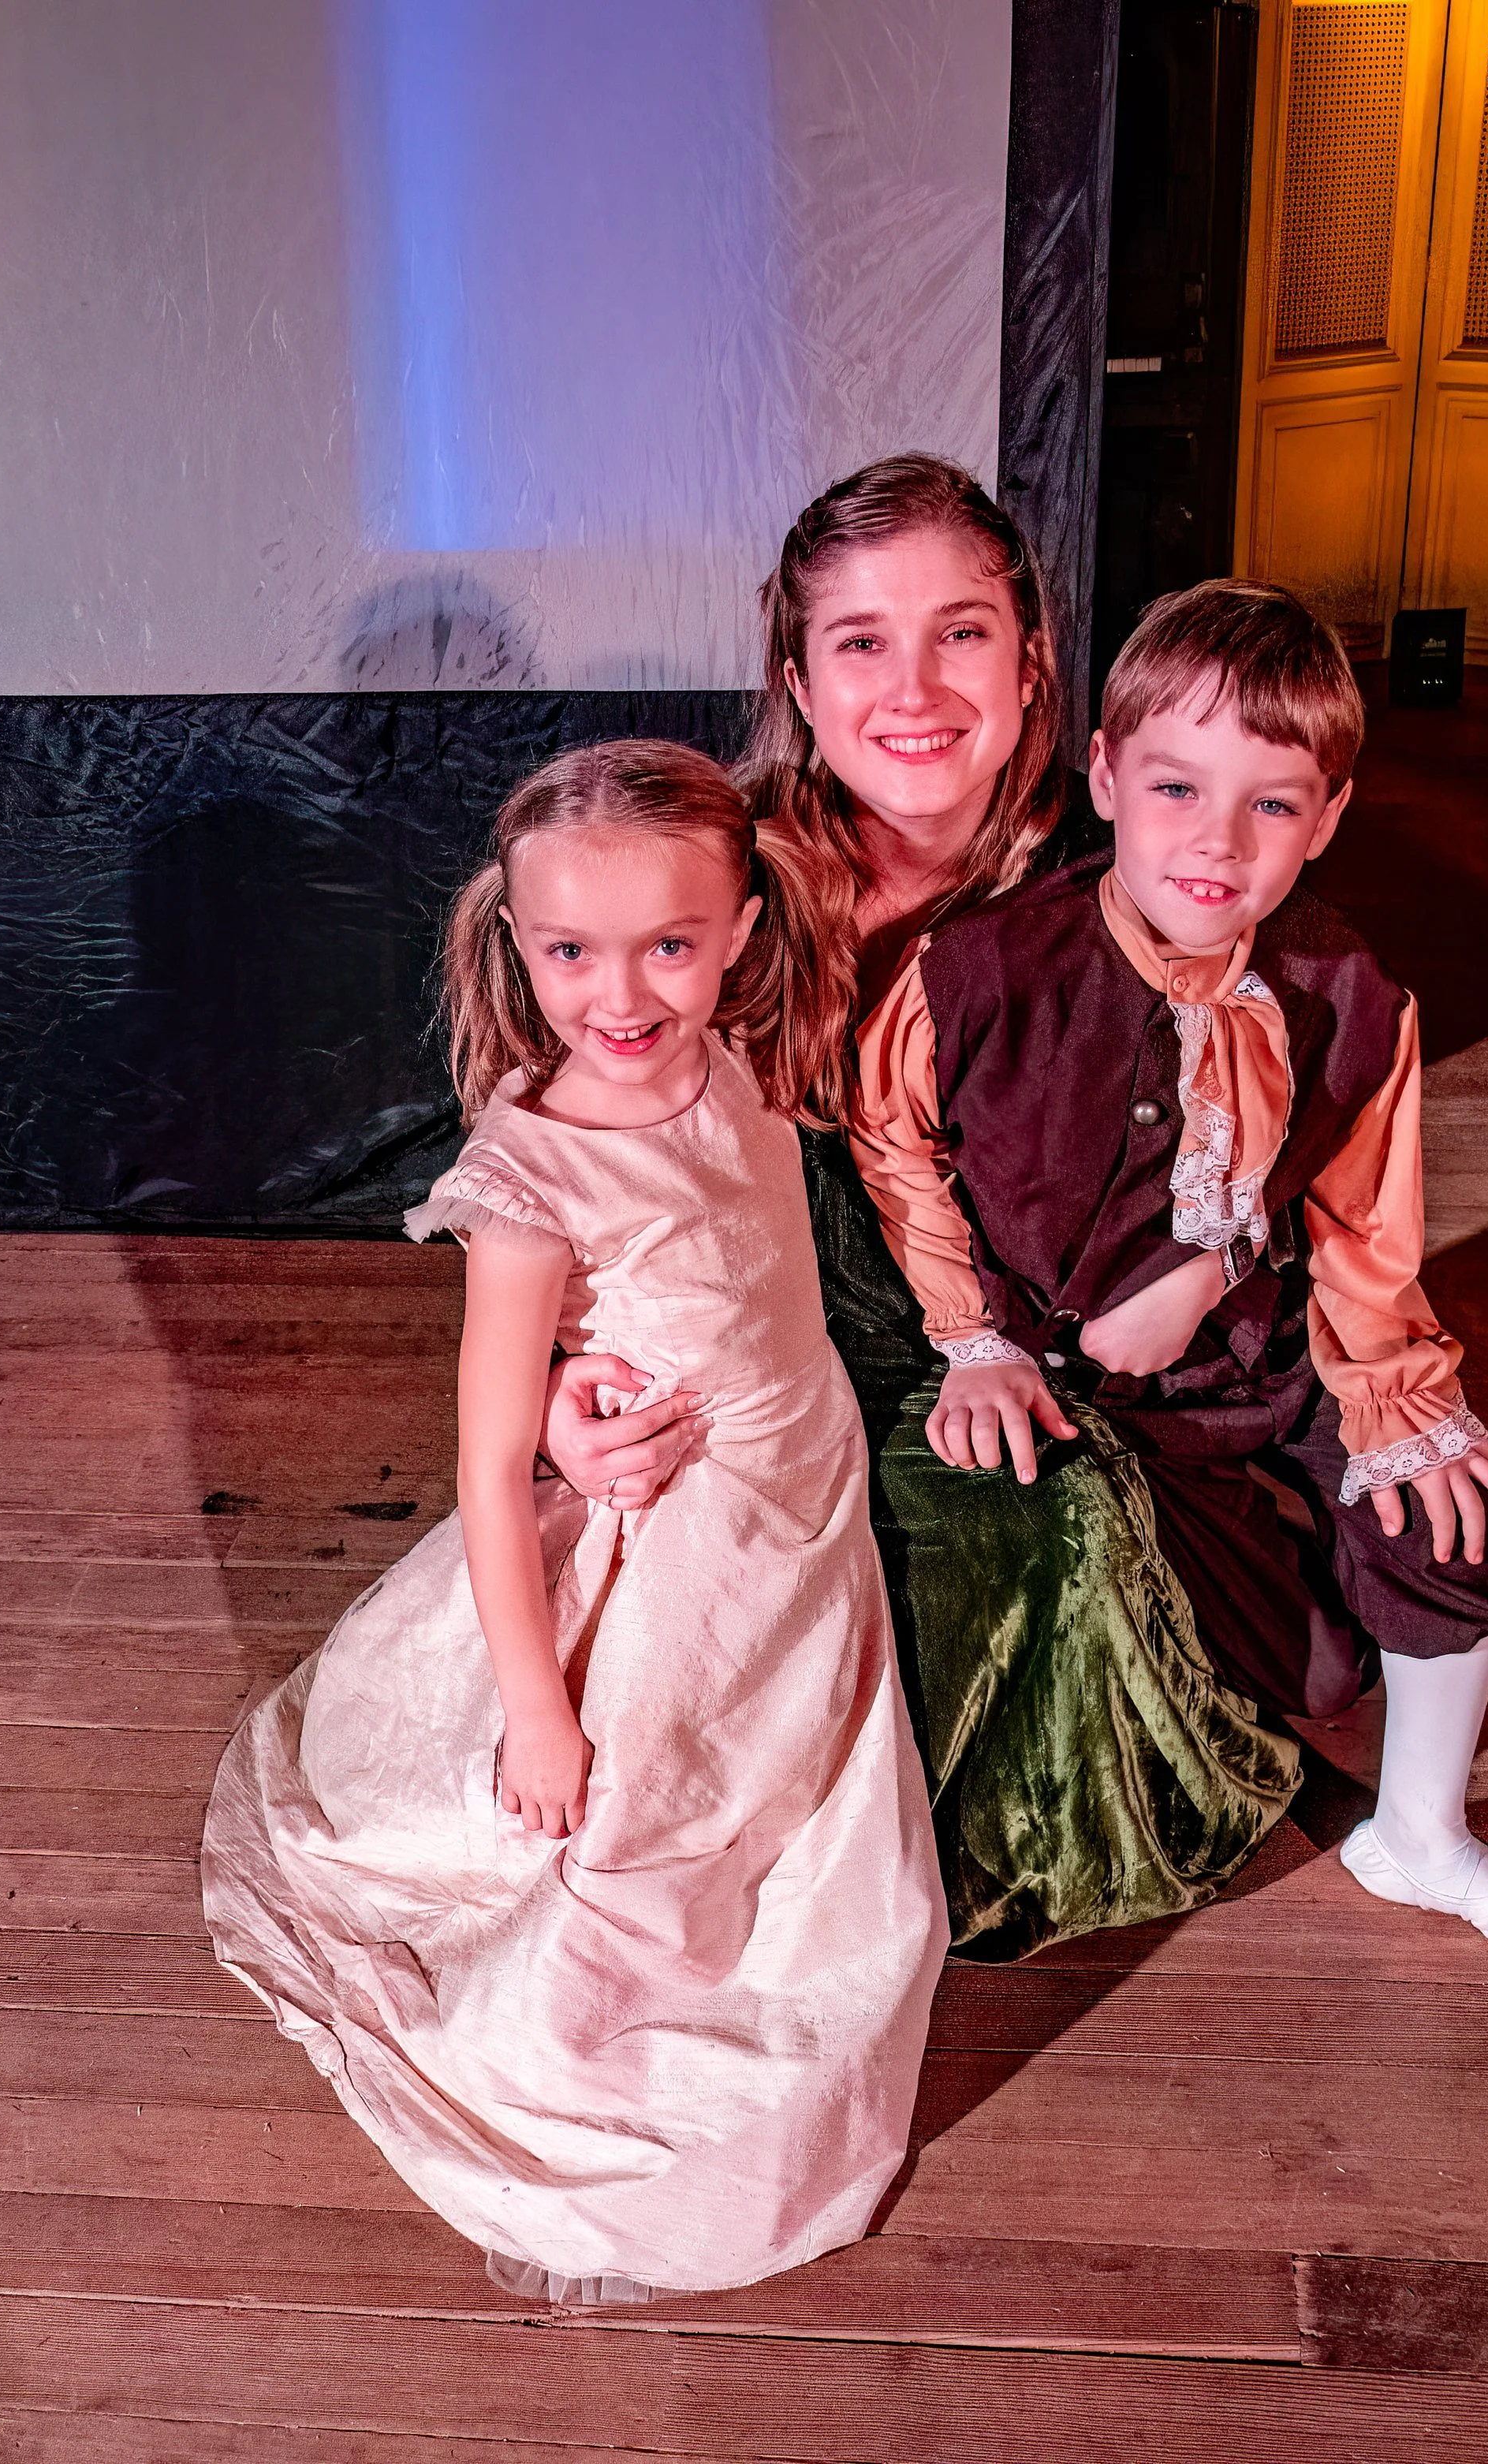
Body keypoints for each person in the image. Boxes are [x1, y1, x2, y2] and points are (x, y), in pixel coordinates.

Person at [202, 741, 949, 2304]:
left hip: (802, 1512)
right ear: (516, 940)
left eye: (668, 944)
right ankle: (598, 2056)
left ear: (741, 929)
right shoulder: (531, 1175)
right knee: (655, 1820)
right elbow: (485, 1469)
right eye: (568, 951)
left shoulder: (730, 1061)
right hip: (680, 1547)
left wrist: (584, 1379)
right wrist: (540, 1713)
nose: (618, 993)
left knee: (792, 1774)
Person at [542, 457, 1307, 1961]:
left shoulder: (1135, 869)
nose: (917, 686)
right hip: (747, 1315)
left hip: (1019, 1317)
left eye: (962, 632)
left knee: (1039, 1520)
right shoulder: (710, 874)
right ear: (796, 680)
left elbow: (1266, 1121)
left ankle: (900, 1880)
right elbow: (571, 1159)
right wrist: (567, 1385)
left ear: (1032, 660)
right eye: (861, 642)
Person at [848, 578, 1488, 1969]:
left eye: (1273, 804)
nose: (1218, 841)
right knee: (1301, 1661)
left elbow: (1368, 1231)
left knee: (1448, 1521)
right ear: (1104, 779)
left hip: (1266, 1353)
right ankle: (1301, 1650)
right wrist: (977, 1342)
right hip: (1073, 1384)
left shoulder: (1350, 994)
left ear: (1329, 817)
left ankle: (1420, 1838)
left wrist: (1398, 1400)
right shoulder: (981, 973)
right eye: (1178, 788)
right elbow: (894, 1149)